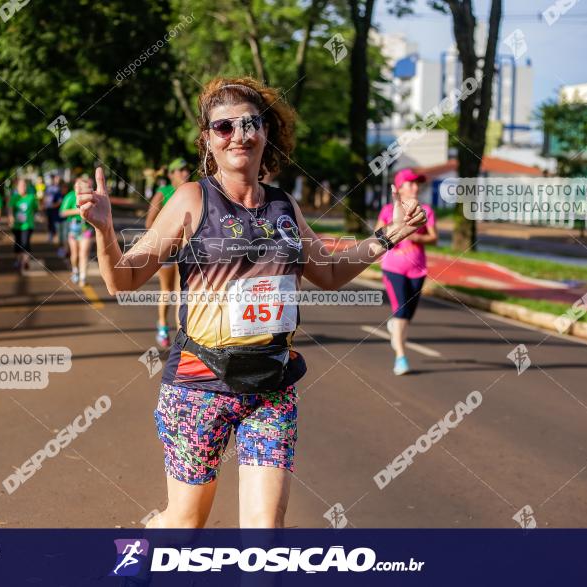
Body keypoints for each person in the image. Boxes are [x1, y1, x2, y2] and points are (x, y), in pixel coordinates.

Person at [76, 77, 426, 529]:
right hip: (198, 385)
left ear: (266, 132)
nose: (238, 134)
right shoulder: (191, 199)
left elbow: (330, 271)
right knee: (185, 524)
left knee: (265, 533)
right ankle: (142, 553)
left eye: (250, 123)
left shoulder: (285, 206)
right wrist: (105, 231)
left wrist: (387, 237)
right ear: (208, 140)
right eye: (224, 127)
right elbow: (123, 280)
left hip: (270, 387)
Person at [373, 168, 437, 375]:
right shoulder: (388, 209)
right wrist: (396, 228)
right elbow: (377, 235)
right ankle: (400, 356)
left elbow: (434, 238)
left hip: (418, 269)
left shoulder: (425, 210)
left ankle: (396, 329)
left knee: (407, 314)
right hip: (394, 268)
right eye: (410, 184)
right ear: (399, 188)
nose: (415, 187)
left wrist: (416, 237)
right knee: (401, 311)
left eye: (417, 184)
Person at [146, 157, 191, 348]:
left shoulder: (193, 192)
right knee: (168, 291)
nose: (184, 173)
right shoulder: (162, 193)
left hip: (187, 251)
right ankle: (163, 326)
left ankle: (182, 335)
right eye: (179, 170)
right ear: (171, 174)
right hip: (168, 251)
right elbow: (149, 223)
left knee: (182, 294)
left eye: (186, 169)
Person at [60, 177, 95, 286]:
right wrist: (77, 211)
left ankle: (83, 277)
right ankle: (75, 270)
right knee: (74, 254)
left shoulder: (89, 197)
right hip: (73, 228)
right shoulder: (70, 196)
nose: (79, 188)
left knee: (84, 254)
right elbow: (62, 213)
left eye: (81, 186)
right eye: (77, 186)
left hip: (86, 229)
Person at [10, 178, 38, 274]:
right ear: (17, 188)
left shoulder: (31, 197)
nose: (22, 188)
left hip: (27, 224)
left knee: (25, 243)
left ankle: (25, 261)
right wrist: (10, 217)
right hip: (17, 225)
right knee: (17, 243)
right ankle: (18, 260)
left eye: (24, 186)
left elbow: (36, 208)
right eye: (20, 186)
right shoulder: (14, 197)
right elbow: (10, 208)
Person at [43, 175, 64, 250]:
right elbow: (45, 196)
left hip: (56, 210)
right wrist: (44, 204)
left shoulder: (59, 188)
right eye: (55, 179)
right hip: (49, 209)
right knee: (49, 222)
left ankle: (57, 239)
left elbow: (60, 201)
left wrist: (53, 205)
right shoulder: (48, 188)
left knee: (56, 224)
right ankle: (50, 236)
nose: (56, 180)